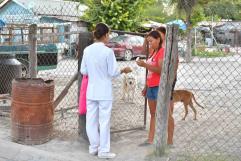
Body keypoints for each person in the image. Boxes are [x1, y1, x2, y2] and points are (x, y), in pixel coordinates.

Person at [80, 23, 132, 159]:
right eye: (109, 34)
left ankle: (93, 147)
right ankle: (103, 151)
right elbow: (113, 72)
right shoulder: (108, 52)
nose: (109, 37)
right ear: (105, 35)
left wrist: (94, 71)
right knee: (104, 122)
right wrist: (123, 69)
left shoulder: (87, 50)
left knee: (91, 121)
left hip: (91, 91)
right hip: (104, 92)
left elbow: (83, 71)